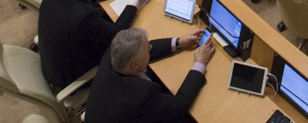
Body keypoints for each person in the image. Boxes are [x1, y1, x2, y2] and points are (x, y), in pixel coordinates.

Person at [37, 0, 155, 89]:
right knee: (135, 46)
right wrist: (134, 0)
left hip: (55, 54)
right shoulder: (83, 17)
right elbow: (117, 33)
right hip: (70, 74)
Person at [84, 27, 213, 123]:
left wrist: (178, 42)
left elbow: (141, 50)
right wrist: (199, 64)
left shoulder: (113, 54)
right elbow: (179, 104)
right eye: (147, 47)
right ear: (135, 65)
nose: (151, 47)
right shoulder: (140, 96)